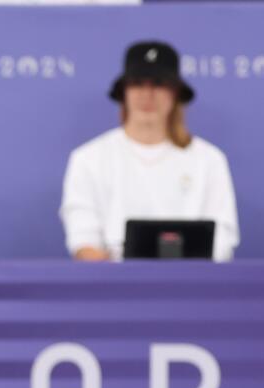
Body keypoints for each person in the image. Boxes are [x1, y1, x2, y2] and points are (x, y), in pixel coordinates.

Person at [60, 41, 239, 262]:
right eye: (137, 83)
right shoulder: (88, 158)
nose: (147, 94)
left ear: (175, 94)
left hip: (192, 288)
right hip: (116, 289)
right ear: (124, 92)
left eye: (159, 83)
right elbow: (83, 240)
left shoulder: (209, 160)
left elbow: (222, 241)